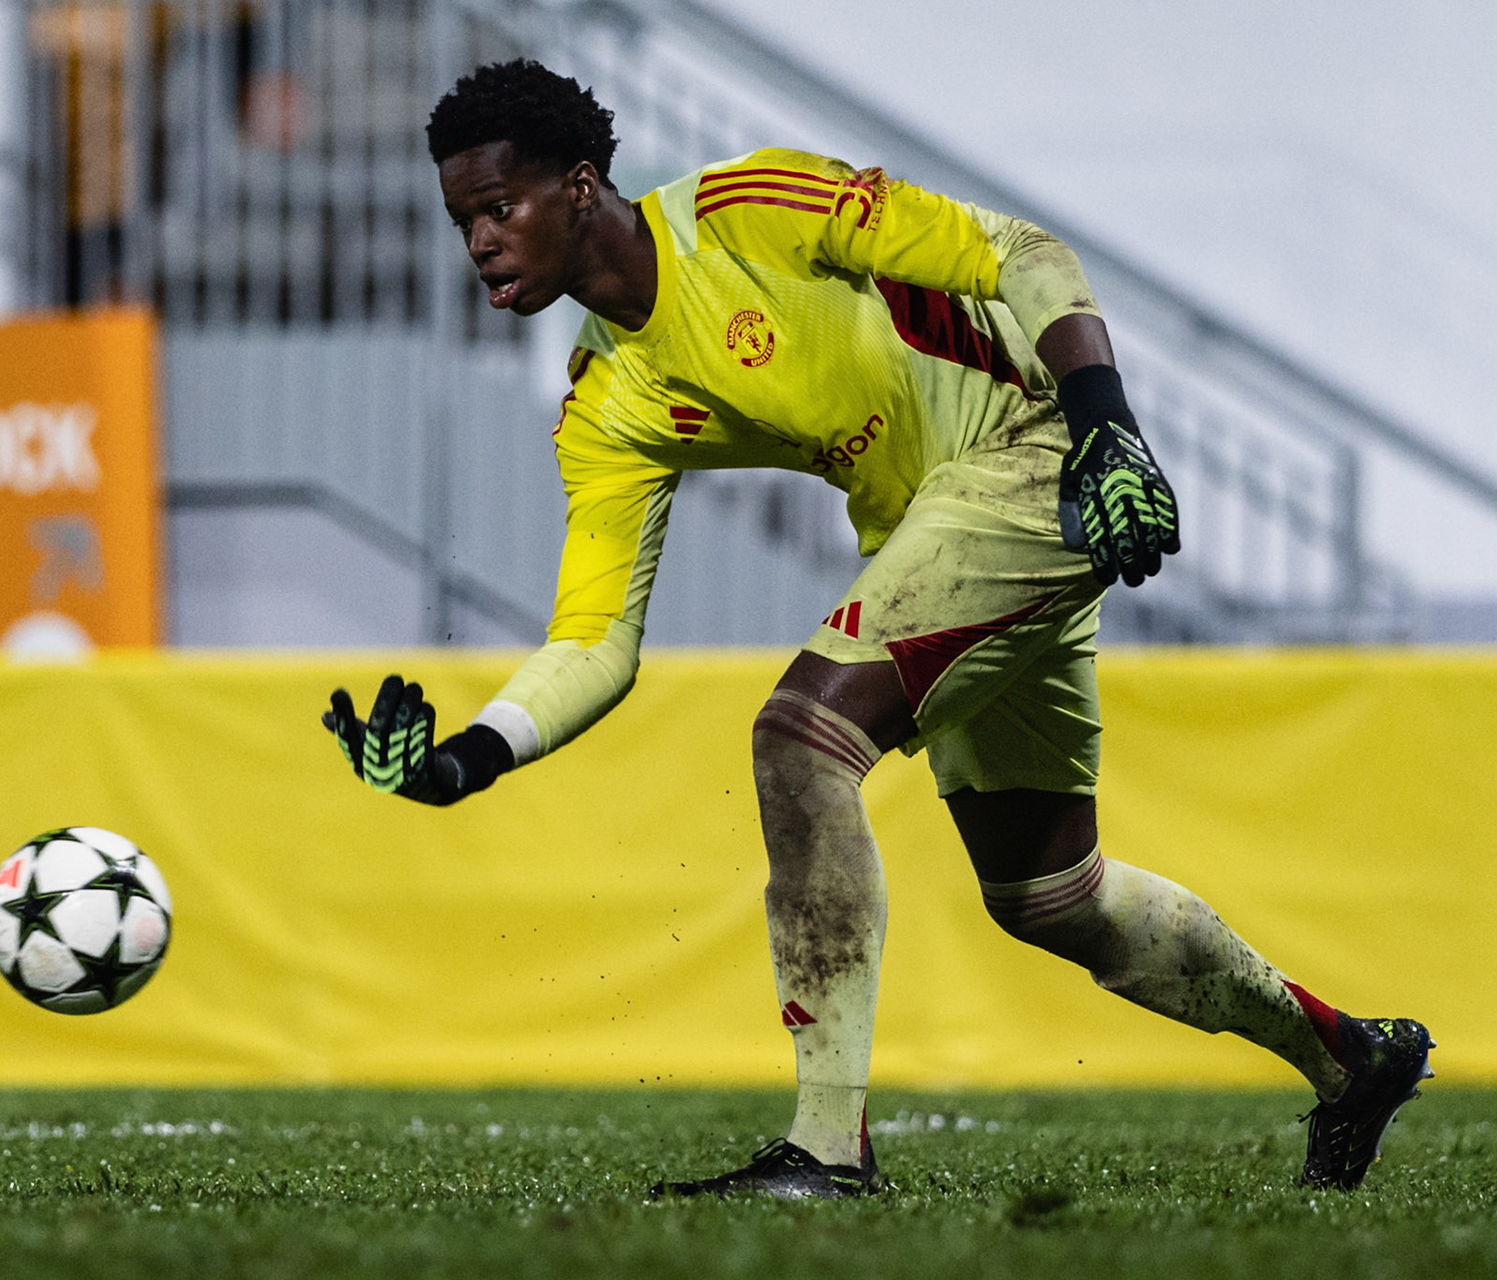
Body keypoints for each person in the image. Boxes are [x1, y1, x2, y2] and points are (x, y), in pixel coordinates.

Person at [322, 58, 1432, 1199]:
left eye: (499, 209)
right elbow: (594, 640)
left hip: (1033, 459)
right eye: (463, 222)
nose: (481, 244)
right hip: (936, 531)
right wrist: (464, 761)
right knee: (1052, 895)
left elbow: (1019, 252)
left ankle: (827, 1147)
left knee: (801, 737)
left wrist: (1109, 424)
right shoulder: (607, 400)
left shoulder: (746, 211)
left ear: (581, 186)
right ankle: (1350, 1057)